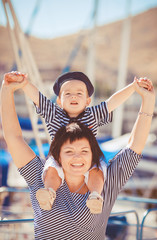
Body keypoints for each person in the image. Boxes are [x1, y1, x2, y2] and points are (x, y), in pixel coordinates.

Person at [0, 77, 155, 239]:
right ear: (58, 154)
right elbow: (13, 138)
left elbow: (134, 144)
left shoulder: (106, 184)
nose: (77, 157)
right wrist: (7, 89)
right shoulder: (41, 177)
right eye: (69, 151)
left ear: (93, 154)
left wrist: (148, 100)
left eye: (84, 151)